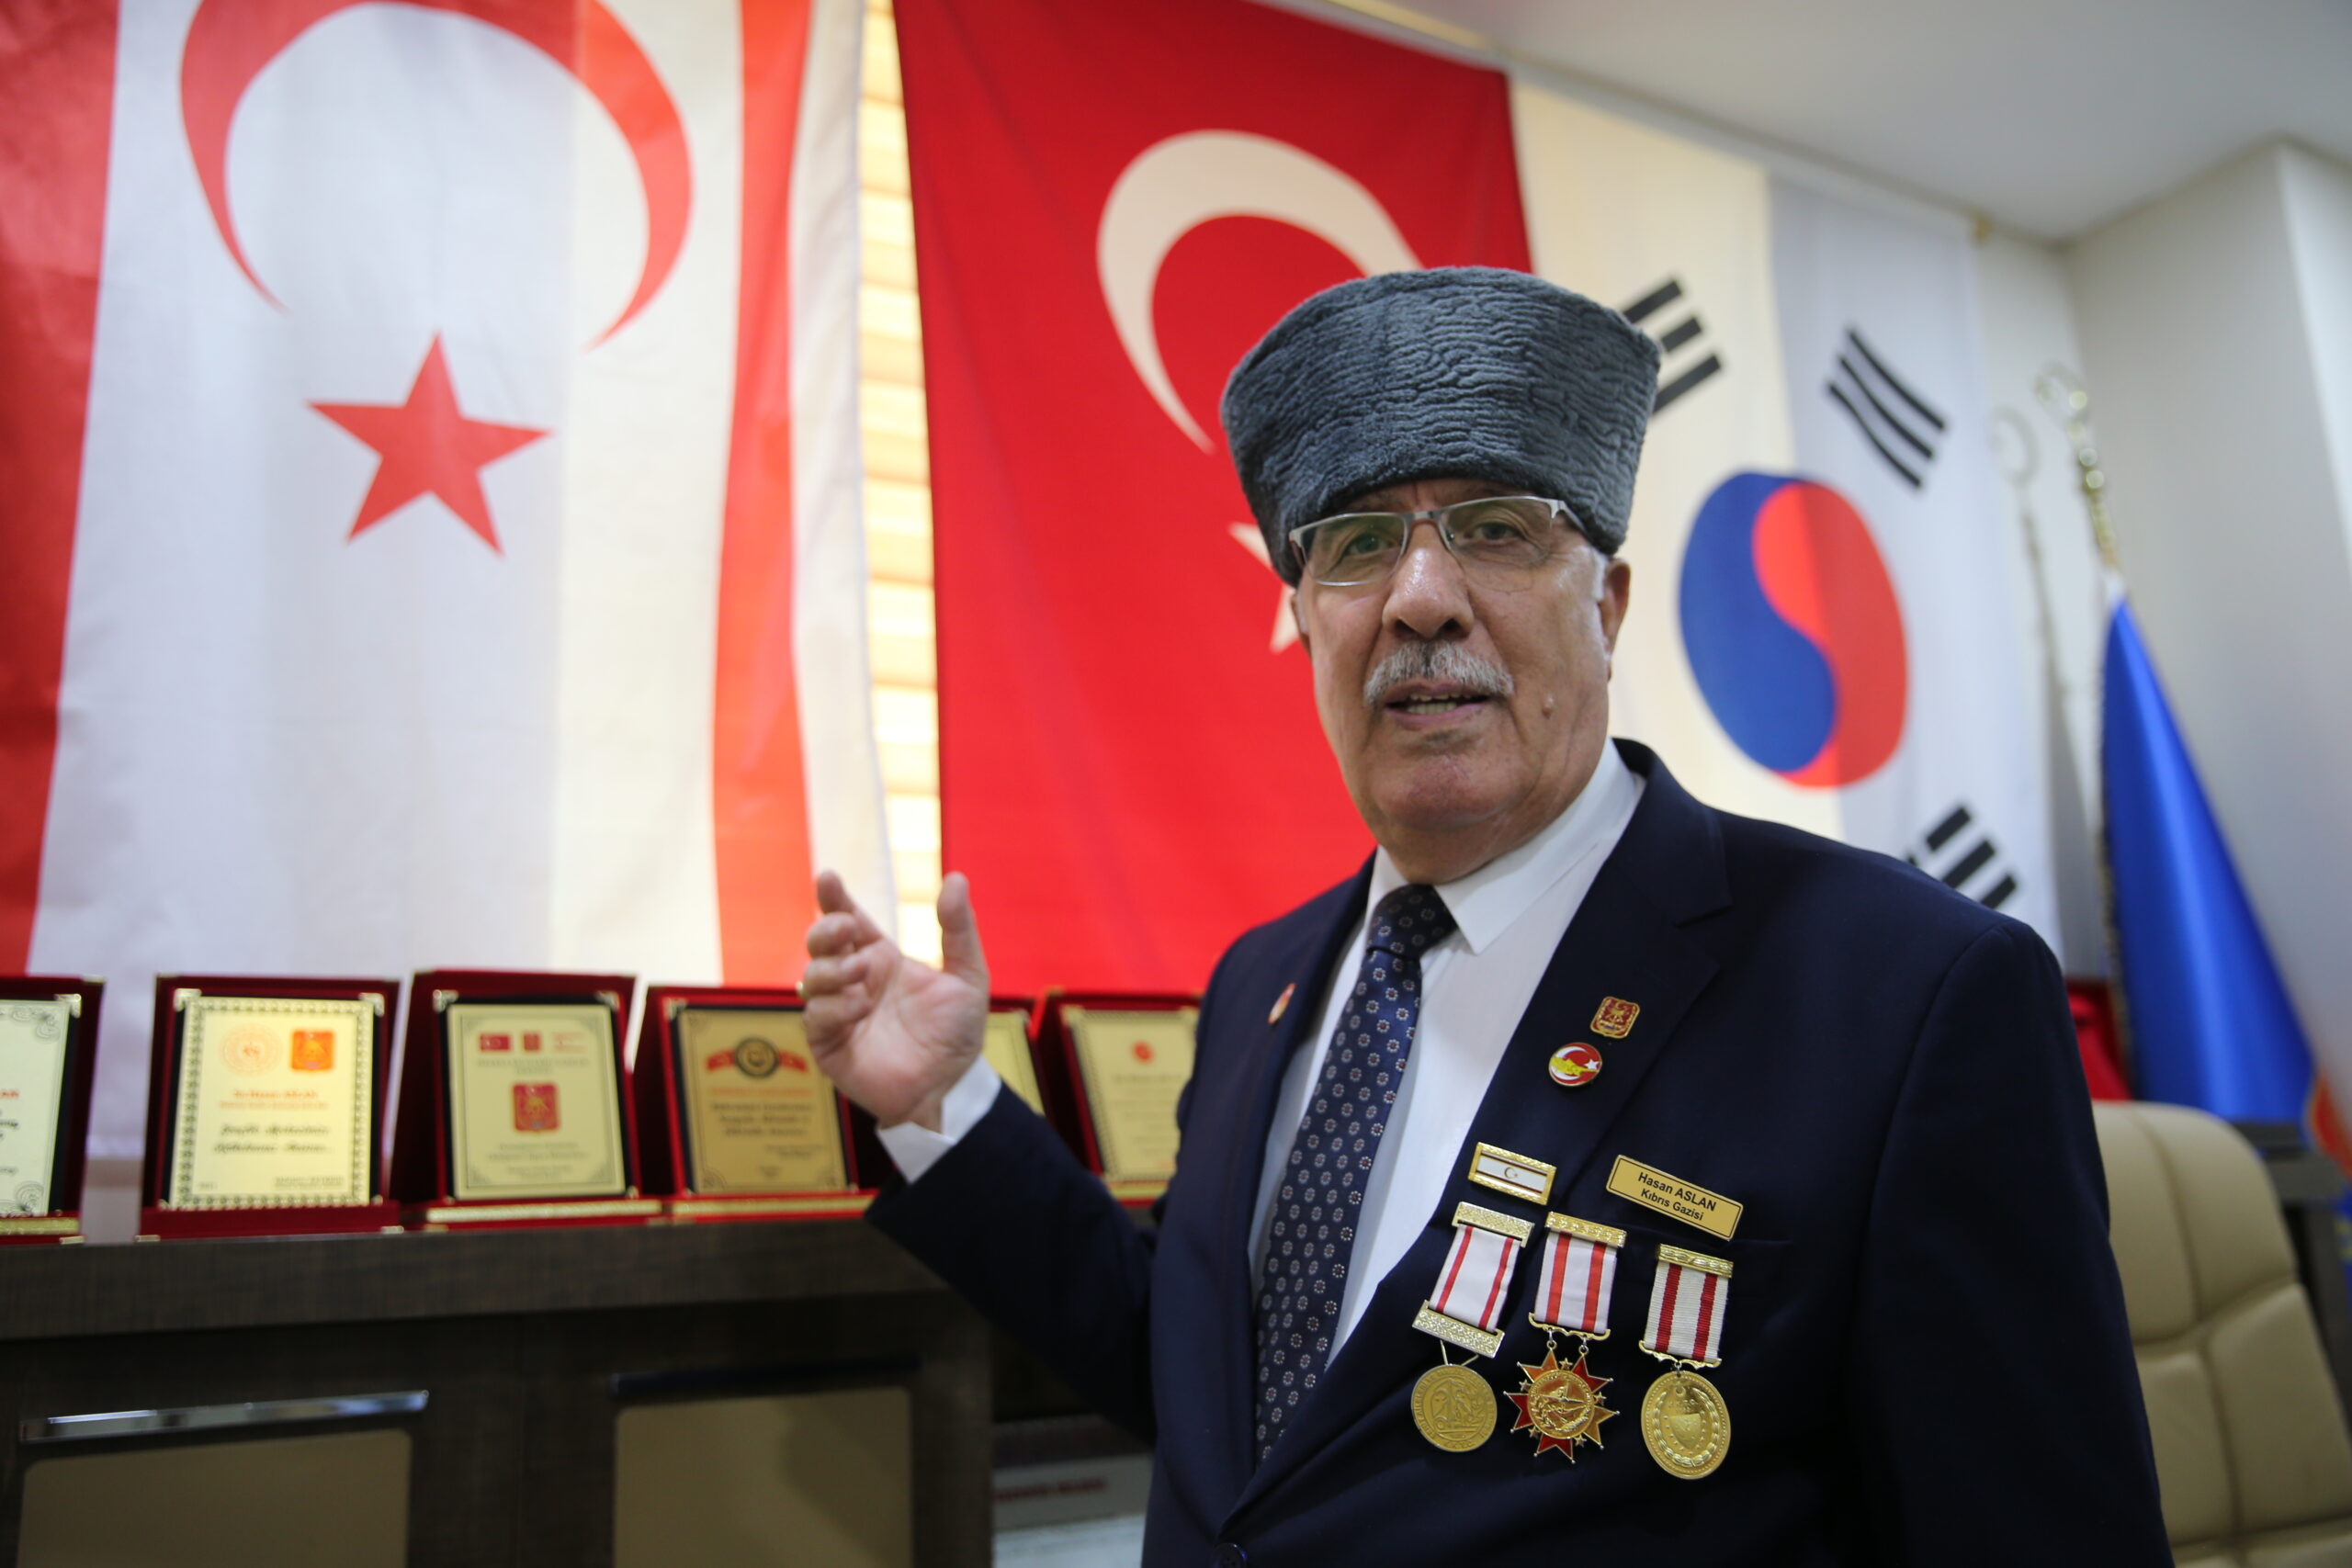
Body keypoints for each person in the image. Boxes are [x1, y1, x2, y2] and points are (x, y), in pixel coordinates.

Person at [801, 267, 2167, 1566]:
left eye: (1498, 529)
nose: (1419, 599)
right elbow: (1230, 1405)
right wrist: (945, 1109)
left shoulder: (1904, 992)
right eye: (1356, 546)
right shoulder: (1262, 979)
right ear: (1305, 622)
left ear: (1608, 603)